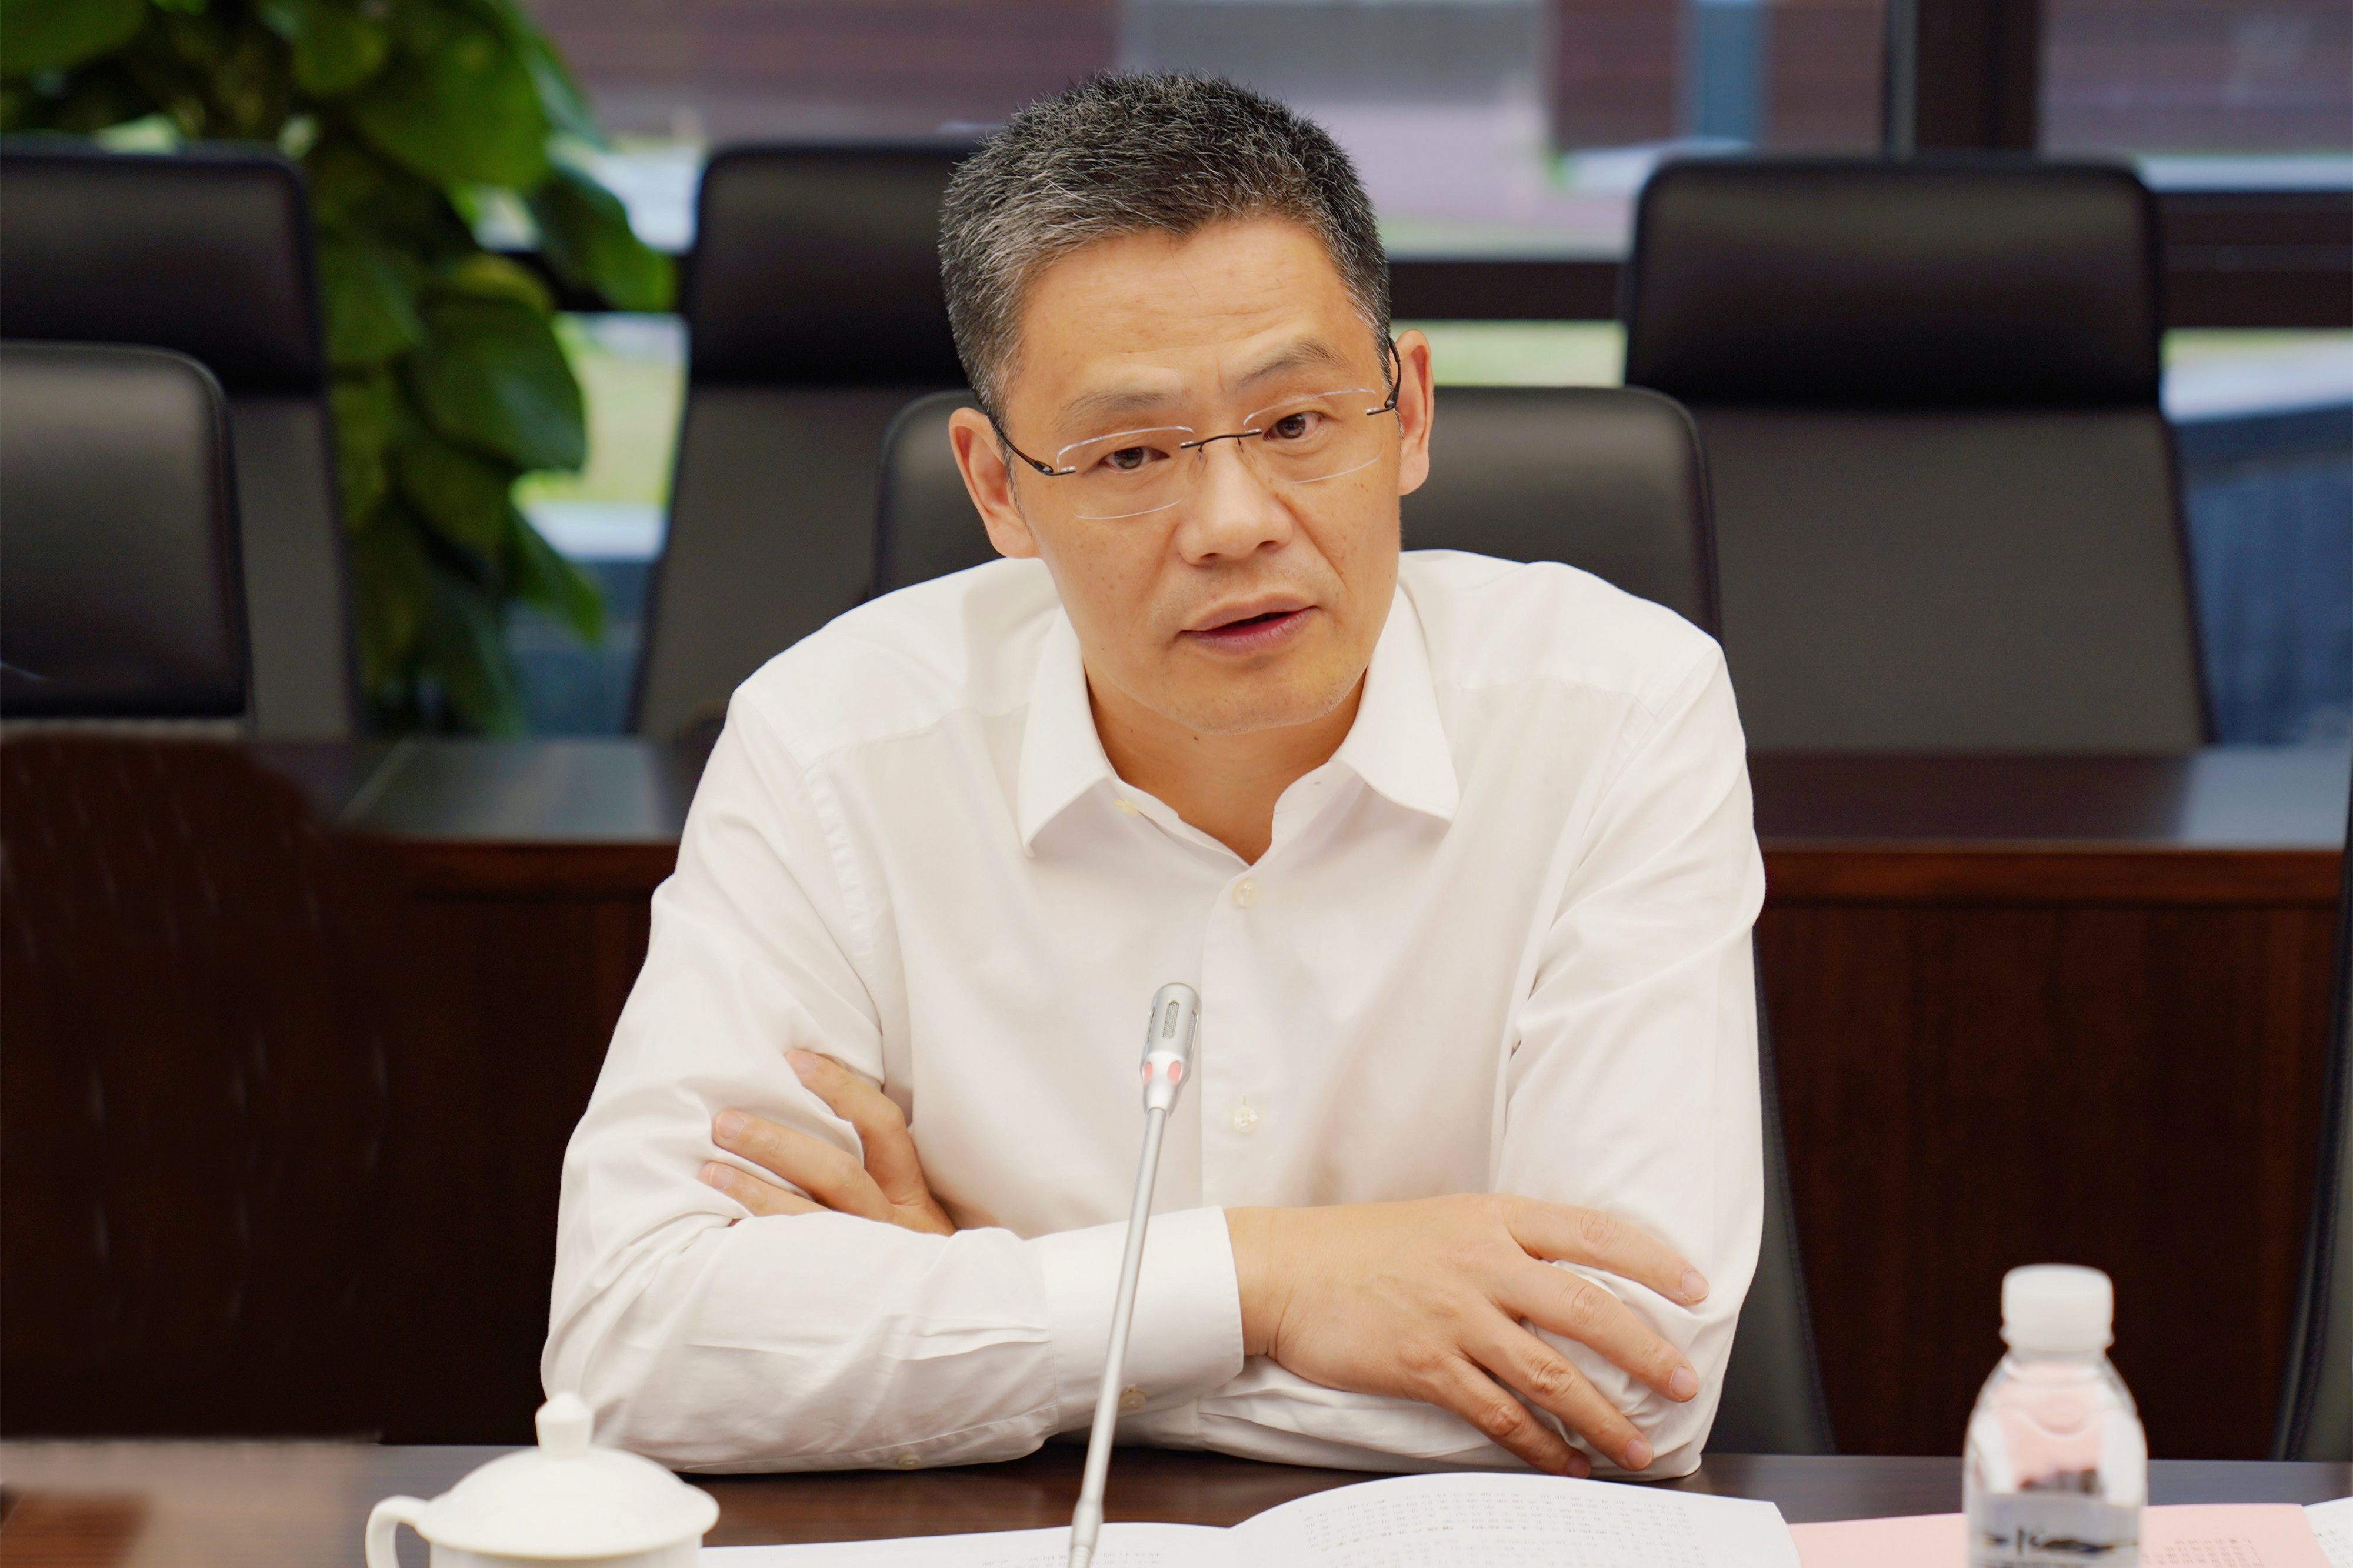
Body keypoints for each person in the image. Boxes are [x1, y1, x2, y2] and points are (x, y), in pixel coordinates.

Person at [545, 74, 1764, 1480]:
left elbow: (1622, 1380)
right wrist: (1265, 1284)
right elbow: (628, 1345)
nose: (1233, 524)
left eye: (1295, 425)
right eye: (1130, 452)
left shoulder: (1618, 712)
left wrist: (994, 1301)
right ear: (996, 488)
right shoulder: (829, 742)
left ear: (1410, 413)